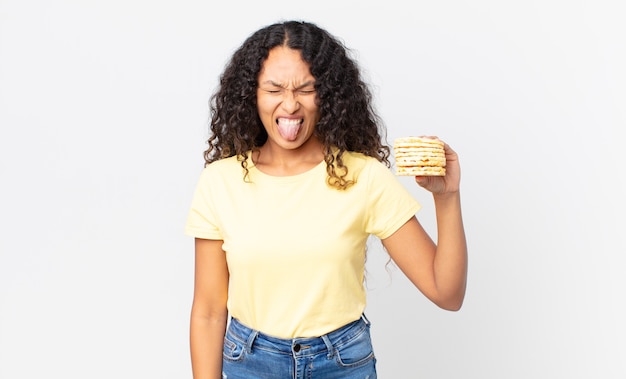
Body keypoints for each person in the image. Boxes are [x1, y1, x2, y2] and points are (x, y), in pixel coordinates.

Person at [185, 20, 467, 379]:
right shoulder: (220, 182)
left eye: (306, 89)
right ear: (251, 94)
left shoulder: (364, 177)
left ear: (328, 95)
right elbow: (209, 311)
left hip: (342, 364)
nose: (290, 104)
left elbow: (447, 292)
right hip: (252, 365)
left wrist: (448, 198)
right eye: (274, 89)